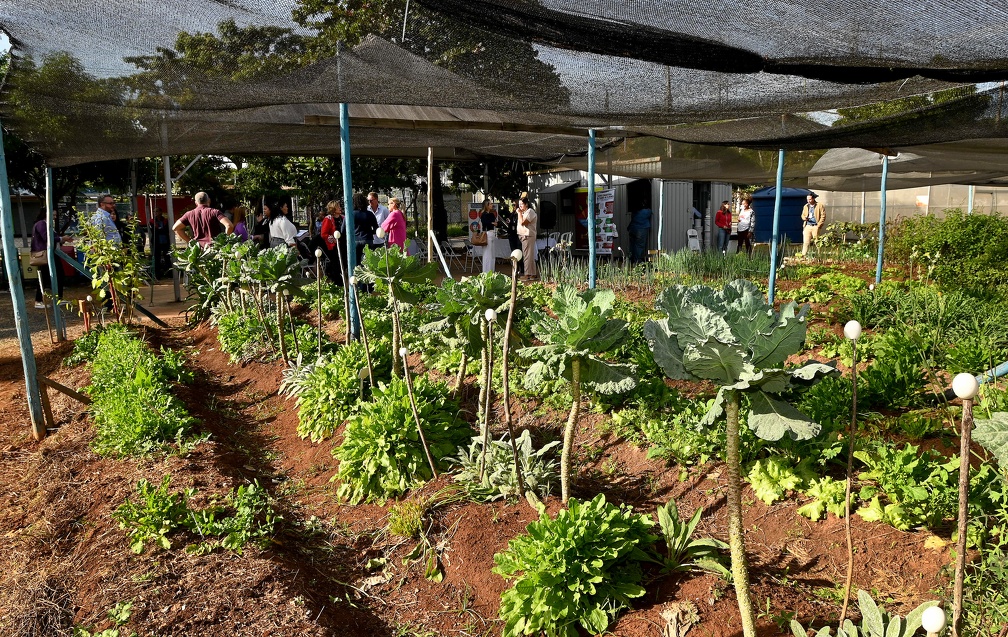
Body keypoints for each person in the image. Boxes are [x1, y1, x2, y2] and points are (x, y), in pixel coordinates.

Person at [31, 210, 68, 309]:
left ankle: (58, 298)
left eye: (55, 215)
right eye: (53, 215)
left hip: (51, 253)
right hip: (45, 254)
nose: (55, 217)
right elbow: (47, 237)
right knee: (44, 277)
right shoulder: (41, 224)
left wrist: (60, 239)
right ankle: (38, 300)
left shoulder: (47, 224)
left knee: (59, 275)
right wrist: (61, 239)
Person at [516, 196, 538, 281]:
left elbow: (523, 222)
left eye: (522, 204)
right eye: (519, 204)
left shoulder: (530, 211)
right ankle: (532, 274)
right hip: (524, 236)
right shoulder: (524, 212)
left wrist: (518, 213)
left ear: (526, 204)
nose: (520, 206)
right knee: (530, 255)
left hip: (528, 236)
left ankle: (527, 274)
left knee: (527, 255)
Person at [499, 202, 523, 276]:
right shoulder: (512, 214)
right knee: (513, 253)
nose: (513, 206)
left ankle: (522, 269)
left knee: (519, 252)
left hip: (518, 235)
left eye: (514, 205)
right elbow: (508, 222)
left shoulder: (520, 214)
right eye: (512, 205)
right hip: (511, 235)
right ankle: (515, 269)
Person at [626, 201, 652, 265]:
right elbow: (650, 211)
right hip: (640, 230)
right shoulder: (646, 212)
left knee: (632, 245)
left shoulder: (634, 212)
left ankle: (631, 259)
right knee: (639, 246)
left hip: (632, 229)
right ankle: (637, 261)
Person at [801, 192, 826, 257]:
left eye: (810, 199)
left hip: (815, 226)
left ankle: (819, 255)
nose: (808, 201)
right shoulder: (806, 206)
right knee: (806, 242)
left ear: (813, 199)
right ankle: (804, 255)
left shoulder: (819, 205)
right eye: (807, 199)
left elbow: (823, 216)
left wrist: (819, 225)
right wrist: (804, 218)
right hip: (808, 225)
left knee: (817, 242)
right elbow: (802, 215)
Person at [479, 199, 497, 273]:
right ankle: (486, 271)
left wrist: (493, 223)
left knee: (492, 254)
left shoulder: (491, 214)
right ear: (487, 205)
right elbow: (486, 223)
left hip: (492, 233)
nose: (492, 205)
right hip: (487, 233)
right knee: (487, 253)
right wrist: (492, 223)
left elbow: (494, 221)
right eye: (490, 204)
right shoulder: (484, 214)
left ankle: (491, 270)